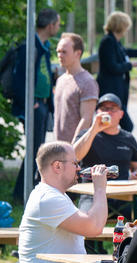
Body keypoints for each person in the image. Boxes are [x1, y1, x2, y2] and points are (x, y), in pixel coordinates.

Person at [11, 8, 61, 202]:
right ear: (50, 25)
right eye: (57, 24)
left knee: (36, 149)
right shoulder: (30, 46)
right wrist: (29, 103)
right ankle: (20, 193)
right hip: (34, 107)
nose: (57, 27)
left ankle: (26, 189)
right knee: (34, 150)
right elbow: (19, 78)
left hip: (42, 104)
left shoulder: (43, 45)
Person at [72, 93, 137, 215]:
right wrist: (94, 129)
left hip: (122, 196)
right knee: (84, 219)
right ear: (97, 112)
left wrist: (136, 174)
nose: (107, 112)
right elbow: (75, 157)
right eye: (103, 109)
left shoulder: (128, 138)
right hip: (91, 194)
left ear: (121, 114)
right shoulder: (87, 134)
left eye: (112, 109)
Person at [97, 11, 137, 132]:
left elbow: (128, 52)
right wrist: (130, 65)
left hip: (119, 89)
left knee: (113, 124)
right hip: (110, 89)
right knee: (126, 125)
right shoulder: (108, 42)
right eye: (126, 26)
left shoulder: (115, 42)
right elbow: (112, 66)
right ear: (120, 26)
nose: (127, 30)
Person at [54, 33, 98, 144]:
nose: (60, 55)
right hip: (59, 147)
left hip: (75, 150)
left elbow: (86, 119)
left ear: (77, 53)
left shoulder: (87, 82)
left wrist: (74, 147)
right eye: (58, 51)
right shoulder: (61, 79)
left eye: (64, 52)